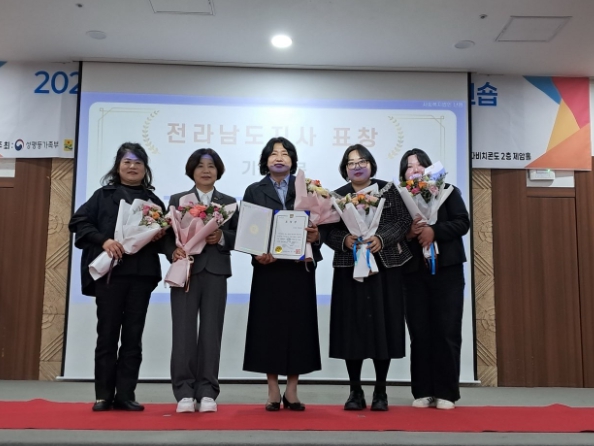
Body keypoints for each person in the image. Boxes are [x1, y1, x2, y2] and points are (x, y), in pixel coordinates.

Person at [69, 142, 166, 412]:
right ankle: (103, 395)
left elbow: (163, 241)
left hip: (141, 276)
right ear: (118, 166)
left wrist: (159, 235)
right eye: (127, 162)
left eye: (138, 162)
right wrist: (104, 240)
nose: (132, 166)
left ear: (145, 168)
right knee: (107, 334)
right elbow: (78, 222)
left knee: (133, 337)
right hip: (110, 275)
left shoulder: (154, 202)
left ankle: (125, 394)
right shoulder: (103, 195)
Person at [324, 144, 412, 411]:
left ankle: (381, 391)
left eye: (362, 161)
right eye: (351, 163)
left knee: (383, 327)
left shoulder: (388, 190)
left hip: (384, 269)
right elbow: (327, 231)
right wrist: (345, 240)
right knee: (352, 329)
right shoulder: (337, 196)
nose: (357, 166)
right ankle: (355, 391)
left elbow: (402, 221)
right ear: (345, 169)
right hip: (349, 270)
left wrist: (381, 238)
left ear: (371, 164)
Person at [242, 136, 322, 411]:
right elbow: (248, 229)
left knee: (299, 329)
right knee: (269, 329)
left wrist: (316, 235)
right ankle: (273, 390)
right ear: (265, 160)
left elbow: (319, 227)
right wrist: (256, 253)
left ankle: (293, 390)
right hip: (269, 270)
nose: (279, 157)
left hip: (299, 269)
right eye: (273, 153)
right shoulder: (254, 190)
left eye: (285, 153)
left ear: (293, 160)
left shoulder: (308, 189)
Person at [164, 148, 238, 414]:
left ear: (218, 171)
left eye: (211, 166)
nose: (206, 170)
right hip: (186, 271)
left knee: (211, 333)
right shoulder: (178, 200)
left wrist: (222, 238)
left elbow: (239, 235)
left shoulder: (229, 203)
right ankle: (184, 391)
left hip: (216, 272)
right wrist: (172, 251)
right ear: (191, 170)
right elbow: (165, 235)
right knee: (183, 332)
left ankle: (207, 391)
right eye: (200, 166)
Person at [399, 148, 470, 410]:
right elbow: (392, 232)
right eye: (409, 166)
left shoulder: (448, 191)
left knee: (447, 331)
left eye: (420, 165)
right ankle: (423, 390)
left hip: (447, 271)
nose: (415, 169)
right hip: (413, 273)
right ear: (403, 173)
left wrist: (434, 231)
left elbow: (462, 222)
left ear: (429, 169)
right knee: (419, 332)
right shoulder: (400, 197)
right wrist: (409, 233)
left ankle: (446, 392)